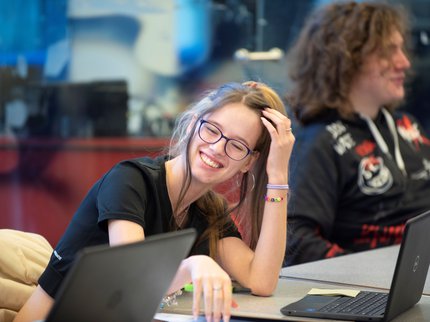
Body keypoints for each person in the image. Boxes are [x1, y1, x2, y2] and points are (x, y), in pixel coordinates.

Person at [14, 81, 294, 322]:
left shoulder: (208, 211)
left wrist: (278, 173)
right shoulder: (130, 180)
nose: (217, 148)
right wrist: (193, 265)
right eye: (212, 130)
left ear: (248, 163)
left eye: (236, 145)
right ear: (193, 123)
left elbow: (261, 280)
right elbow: (133, 282)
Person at [284, 1, 430, 266]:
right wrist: (371, 276)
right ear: (348, 58)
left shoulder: (406, 125)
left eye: (401, 49)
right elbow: (297, 242)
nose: (404, 62)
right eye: (388, 51)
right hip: (374, 285)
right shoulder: (319, 140)